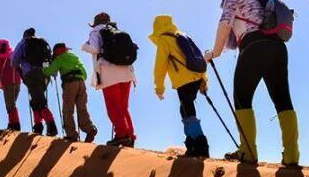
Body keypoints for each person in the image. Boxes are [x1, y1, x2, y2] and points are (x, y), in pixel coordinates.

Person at [204, 0, 299, 167]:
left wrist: (214, 52)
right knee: (283, 100)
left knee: (242, 99)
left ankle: (248, 152)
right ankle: (292, 155)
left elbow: (225, 23)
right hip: (278, 48)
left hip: (254, 46)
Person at [149, 15, 210, 155]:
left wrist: (159, 88)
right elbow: (197, 56)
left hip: (183, 80)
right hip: (197, 78)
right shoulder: (181, 35)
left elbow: (160, 66)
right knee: (185, 107)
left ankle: (200, 144)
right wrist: (204, 79)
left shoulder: (164, 40)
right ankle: (191, 143)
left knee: (187, 108)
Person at [81, 12, 137, 146]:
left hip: (109, 72)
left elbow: (94, 48)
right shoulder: (116, 31)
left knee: (113, 106)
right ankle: (130, 136)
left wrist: (84, 46)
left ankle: (121, 135)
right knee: (123, 107)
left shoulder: (96, 31)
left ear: (95, 23)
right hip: (127, 72)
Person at [43, 43, 97, 143]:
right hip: (81, 82)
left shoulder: (60, 59)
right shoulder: (74, 56)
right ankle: (90, 129)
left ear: (56, 52)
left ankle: (72, 135)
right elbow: (85, 74)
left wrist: (45, 64)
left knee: (68, 110)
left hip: (69, 83)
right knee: (82, 108)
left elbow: (47, 72)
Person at [11, 28, 58, 136]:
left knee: (39, 101)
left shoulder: (24, 42)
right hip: (44, 75)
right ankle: (38, 127)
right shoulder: (43, 42)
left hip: (31, 74)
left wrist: (21, 67)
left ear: (25, 35)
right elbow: (48, 60)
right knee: (36, 99)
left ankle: (51, 125)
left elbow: (14, 61)